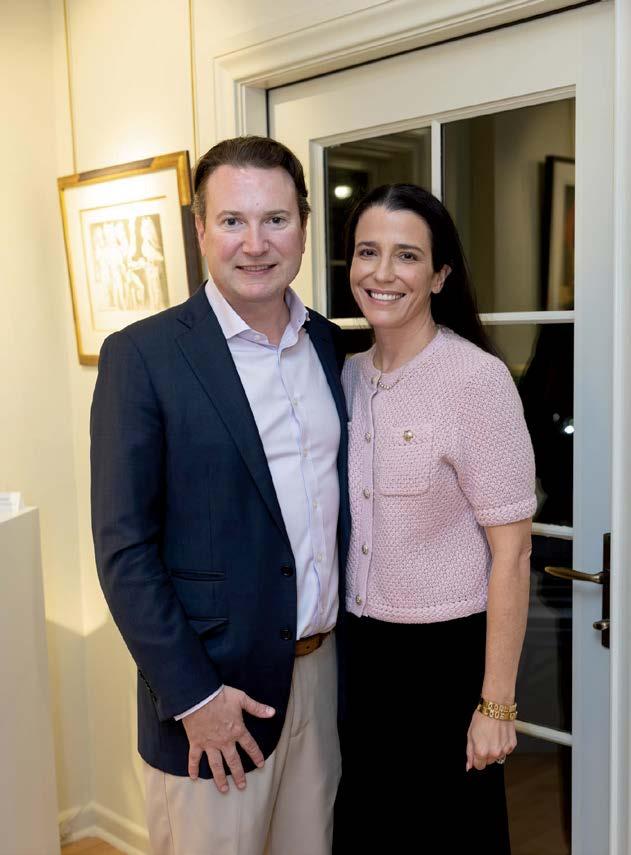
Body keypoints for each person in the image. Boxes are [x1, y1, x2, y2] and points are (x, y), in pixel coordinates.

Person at [90, 135, 350, 855]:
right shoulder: (142, 356)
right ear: (201, 229)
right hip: (214, 698)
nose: (255, 244)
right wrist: (194, 698)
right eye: (233, 220)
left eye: (275, 219)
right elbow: (124, 549)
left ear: (303, 226)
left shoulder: (331, 346)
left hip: (322, 677)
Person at [335, 184, 535, 853]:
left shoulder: (475, 380)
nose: (382, 272)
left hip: (445, 664)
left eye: (407, 255)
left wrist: (495, 704)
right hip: (360, 657)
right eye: (368, 251)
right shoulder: (344, 376)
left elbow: (512, 553)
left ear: (440, 274)